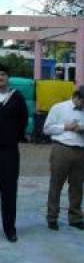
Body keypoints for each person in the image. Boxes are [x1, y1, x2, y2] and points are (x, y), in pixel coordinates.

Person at [0, 64, 28, 241]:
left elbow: (23, 121)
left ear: (8, 77)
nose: (0, 78)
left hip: (9, 150)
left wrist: (12, 138)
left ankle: (10, 229)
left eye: (3, 75)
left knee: (9, 190)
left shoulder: (17, 97)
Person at [43, 86, 84, 231]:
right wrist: (65, 127)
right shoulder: (59, 107)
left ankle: (76, 217)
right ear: (77, 97)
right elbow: (46, 129)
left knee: (77, 186)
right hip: (62, 148)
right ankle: (52, 217)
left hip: (81, 150)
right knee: (56, 184)